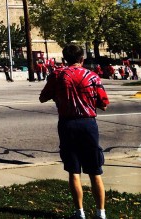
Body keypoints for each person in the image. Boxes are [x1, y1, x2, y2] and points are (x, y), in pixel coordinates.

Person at [39, 43, 109, 219]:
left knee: (74, 170)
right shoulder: (92, 77)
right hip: (88, 124)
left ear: (64, 59)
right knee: (95, 170)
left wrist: (59, 96)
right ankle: (101, 212)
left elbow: (42, 97)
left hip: (67, 124)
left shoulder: (57, 75)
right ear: (82, 59)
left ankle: (80, 212)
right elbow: (104, 104)